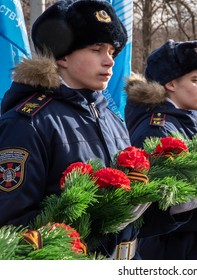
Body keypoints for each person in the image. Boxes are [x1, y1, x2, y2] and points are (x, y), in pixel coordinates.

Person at [0, 0, 148, 260]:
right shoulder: (28, 122)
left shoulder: (110, 117)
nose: (109, 61)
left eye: (113, 52)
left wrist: (171, 209)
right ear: (63, 55)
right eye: (97, 49)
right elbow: (14, 229)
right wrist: (101, 219)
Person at [124, 39, 197, 260]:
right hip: (179, 250)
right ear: (171, 84)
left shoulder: (189, 120)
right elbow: (154, 212)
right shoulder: (157, 130)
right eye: (195, 80)